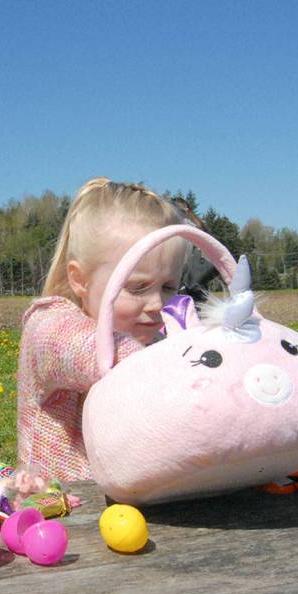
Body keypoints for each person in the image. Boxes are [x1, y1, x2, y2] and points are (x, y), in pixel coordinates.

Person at [16, 178, 189, 481]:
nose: (157, 304)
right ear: (80, 279)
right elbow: (101, 354)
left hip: (130, 510)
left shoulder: (156, 342)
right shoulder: (48, 326)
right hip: (59, 510)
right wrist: (193, 369)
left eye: (169, 287)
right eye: (137, 287)